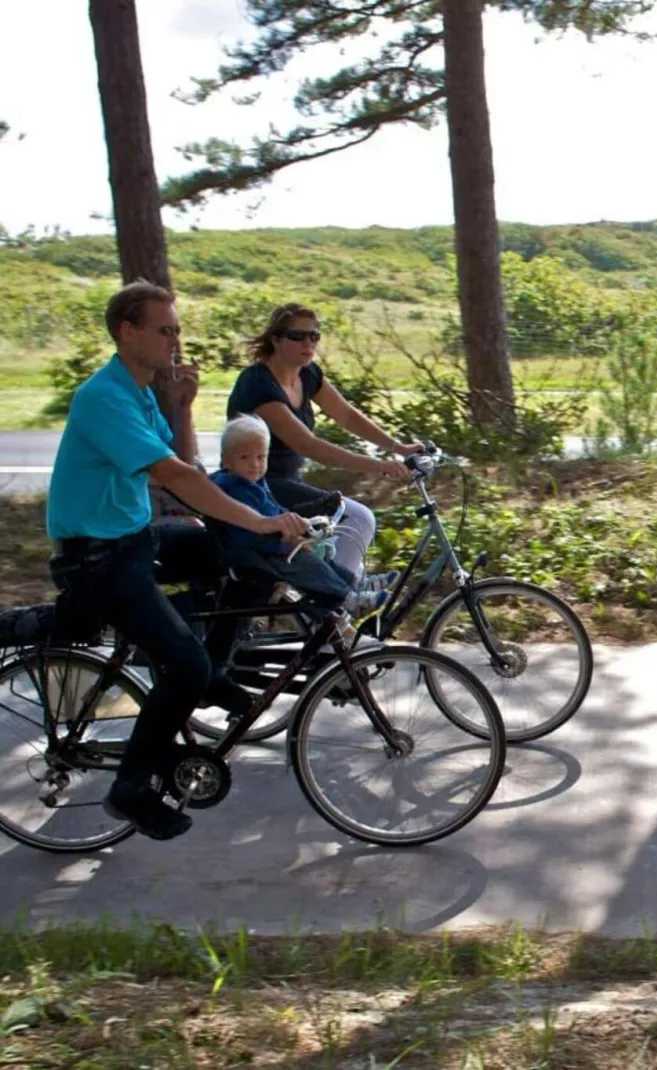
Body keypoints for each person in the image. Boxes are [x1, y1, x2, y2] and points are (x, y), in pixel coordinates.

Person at [47, 280, 309, 842]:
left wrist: (185, 407)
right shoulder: (104, 397)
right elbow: (174, 477)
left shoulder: (138, 391)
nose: (175, 339)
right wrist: (259, 518)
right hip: (98, 560)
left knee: (231, 553)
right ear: (128, 331)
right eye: (164, 329)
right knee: (183, 665)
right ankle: (132, 786)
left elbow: (183, 460)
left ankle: (209, 664)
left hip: (132, 538)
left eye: (177, 329)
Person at [226, 304, 420, 589]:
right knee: (357, 518)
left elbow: (346, 415)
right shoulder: (257, 383)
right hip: (256, 484)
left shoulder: (307, 374)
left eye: (314, 336)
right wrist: (381, 467)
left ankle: (333, 600)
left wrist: (398, 447)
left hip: (288, 480)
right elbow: (309, 445)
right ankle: (344, 596)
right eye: (298, 336)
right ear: (277, 339)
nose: (308, 343)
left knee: (332, 534)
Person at [210, 414, 388, 623]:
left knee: (321, 554)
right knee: (303, 562)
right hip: (254, 552)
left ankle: (355, 582)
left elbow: (275, 510)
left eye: (261, 457)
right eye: (244, 458)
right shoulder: (235, 489)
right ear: (225, 458)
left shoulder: (253, 482)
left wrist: (303, 519)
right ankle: (347, 599)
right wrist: (283, 542)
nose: (254, 464)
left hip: (266, 544)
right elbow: (244, 533)